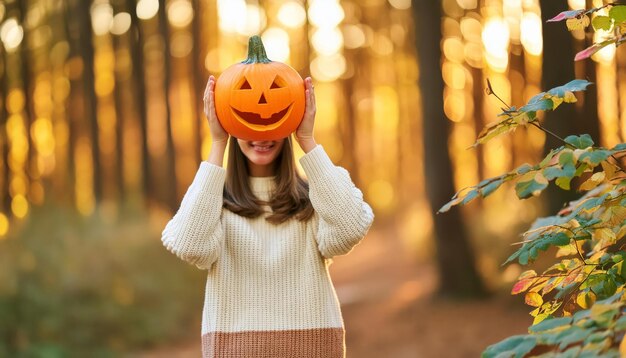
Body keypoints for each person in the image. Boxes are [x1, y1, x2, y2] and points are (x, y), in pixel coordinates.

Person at [161, 75, 374, 358]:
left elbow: (349, 226)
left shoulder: (315, 199)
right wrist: (217, 143)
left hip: (312, 350)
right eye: (248, 119)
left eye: (272, 120)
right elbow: (190, 245)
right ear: (230, 122)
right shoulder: (213, 203)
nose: (261, 135)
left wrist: (308, 140)